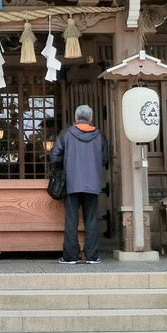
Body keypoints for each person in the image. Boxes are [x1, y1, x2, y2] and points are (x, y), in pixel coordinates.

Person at [50, 104, 108, 265]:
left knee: (71, 221)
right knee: (91, 220)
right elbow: (104, 159)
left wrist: (65, 165)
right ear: (91, 119)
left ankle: (70, 257)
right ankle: (92, 256)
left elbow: (54, 157)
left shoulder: (65, 134)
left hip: (71, 183)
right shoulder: (99, 136)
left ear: (75, 118)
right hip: (92, 184)